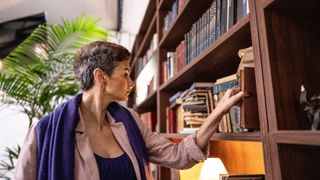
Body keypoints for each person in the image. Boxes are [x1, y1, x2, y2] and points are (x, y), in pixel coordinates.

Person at [15, 41, 244, 180]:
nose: (131, 82)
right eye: (125, 74)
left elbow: (179, 155)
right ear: (100, 77)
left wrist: (219, 111)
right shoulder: (43, 132)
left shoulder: (129, 121)